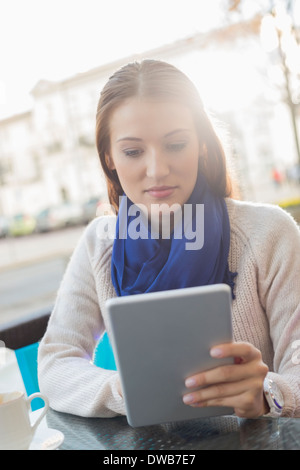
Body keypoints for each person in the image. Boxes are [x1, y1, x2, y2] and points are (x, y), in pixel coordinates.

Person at [38, 59, 300, 419]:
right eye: (133, 151)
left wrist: (268, 393)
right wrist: (127, 390)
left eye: (176, 144)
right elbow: (55, 363)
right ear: (108, 158)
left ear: (202, 147)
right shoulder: (99, 243)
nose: (157, 169)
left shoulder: (269, 232)